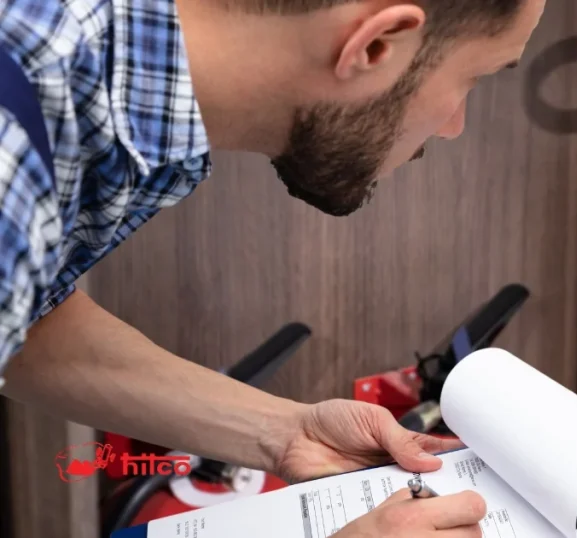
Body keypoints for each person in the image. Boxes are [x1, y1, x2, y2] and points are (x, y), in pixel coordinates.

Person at [0, 0, 545, 535]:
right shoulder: (13, 151)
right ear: (377, 44)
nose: (454, 126)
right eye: (476, 77)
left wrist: (286, 434)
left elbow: (30, 320)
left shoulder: (102, 71)